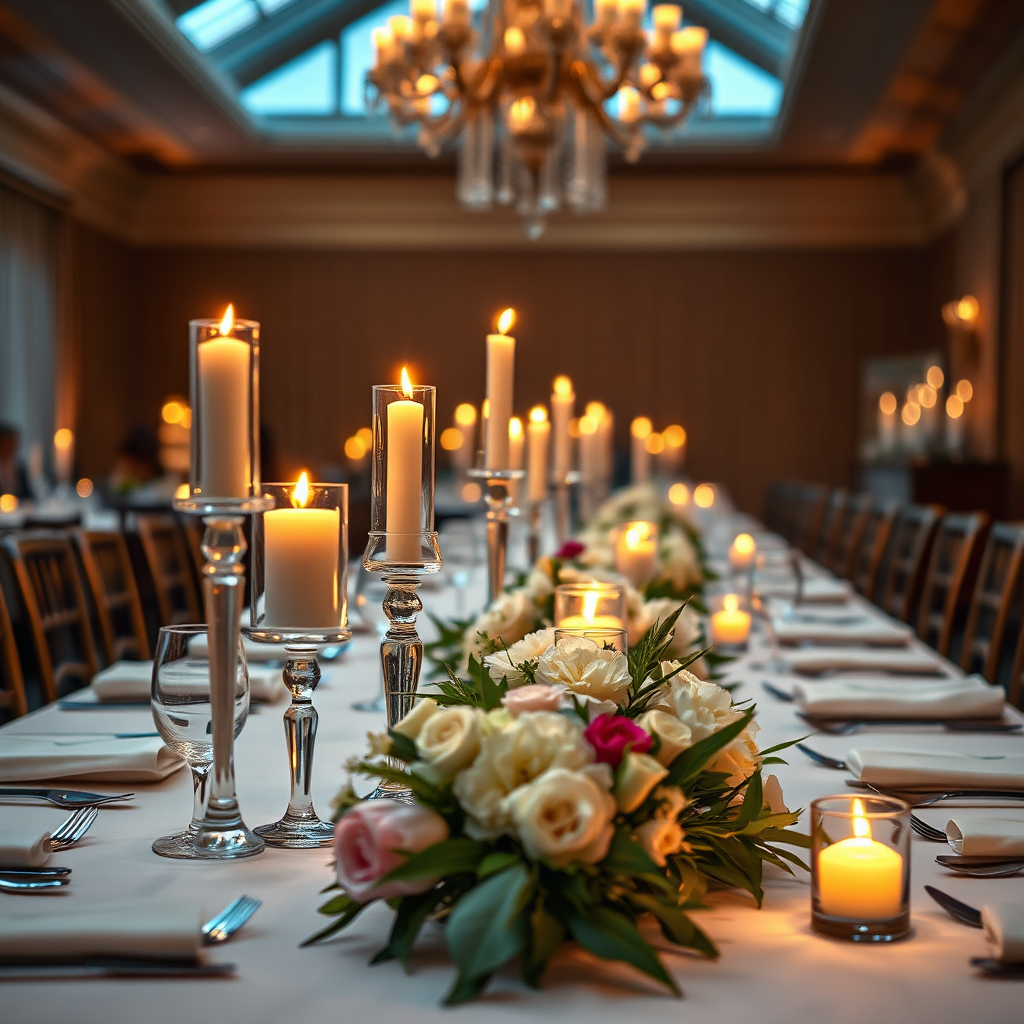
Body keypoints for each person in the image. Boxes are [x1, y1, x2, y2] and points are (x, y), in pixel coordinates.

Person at [0, 422, 30, 499]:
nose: (13, 446)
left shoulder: (20, 467)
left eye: (15, 442)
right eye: (8, 442)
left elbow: (27, 494)